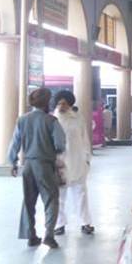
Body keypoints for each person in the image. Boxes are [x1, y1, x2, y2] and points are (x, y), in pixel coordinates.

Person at [8, 88, 66, 249]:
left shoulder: (22, 119)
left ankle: (31, 235)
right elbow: (60, 144)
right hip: (45, 165)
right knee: (51, 200)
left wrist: (13, 162)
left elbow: (15, 144)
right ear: (47, 102)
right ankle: (49, 235)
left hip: (27, 165)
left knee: (28, 201)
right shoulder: (51, 121)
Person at [52, 90, 94, 236]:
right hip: (60, 164)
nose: (61, 106)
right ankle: (59, 224)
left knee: (81, 194)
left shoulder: (78, 118)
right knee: (59, 196)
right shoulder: (52, 119)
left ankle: (85, 223)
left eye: (64, 103)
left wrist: (87, 159)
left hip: (78, 161)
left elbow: (85, 140)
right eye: (58, 103)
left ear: (70, 104)